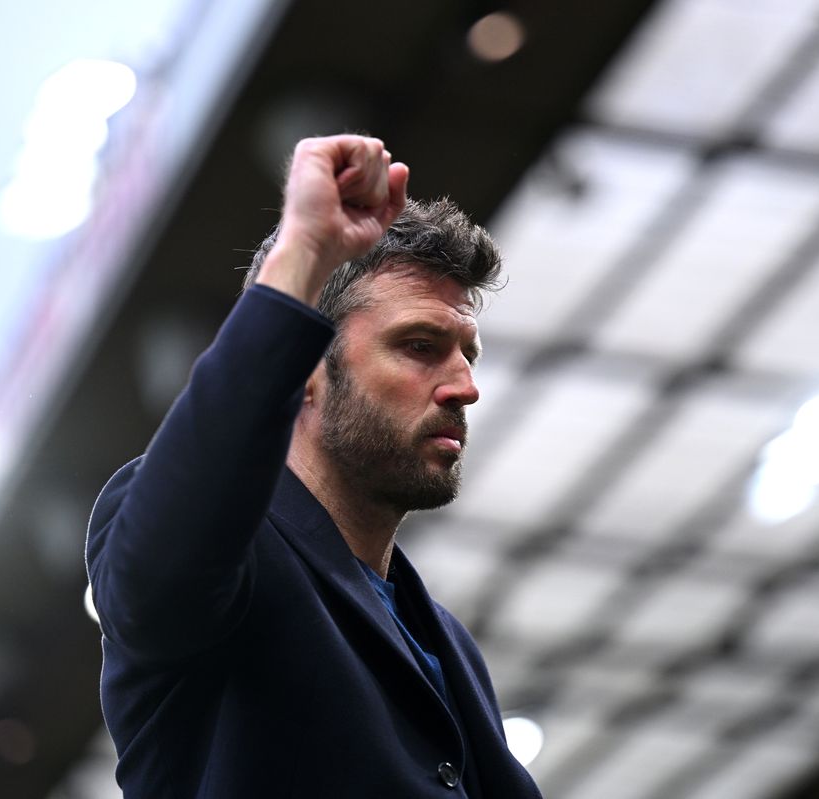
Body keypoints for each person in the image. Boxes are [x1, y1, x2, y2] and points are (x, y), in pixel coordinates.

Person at [86, 135, 544, 798]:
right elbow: (161, 562)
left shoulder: (446, 640)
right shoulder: (228, 561)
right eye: (420, 345)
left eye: (468, 353)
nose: (465, 385)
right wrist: (303, 250)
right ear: (304, 368)